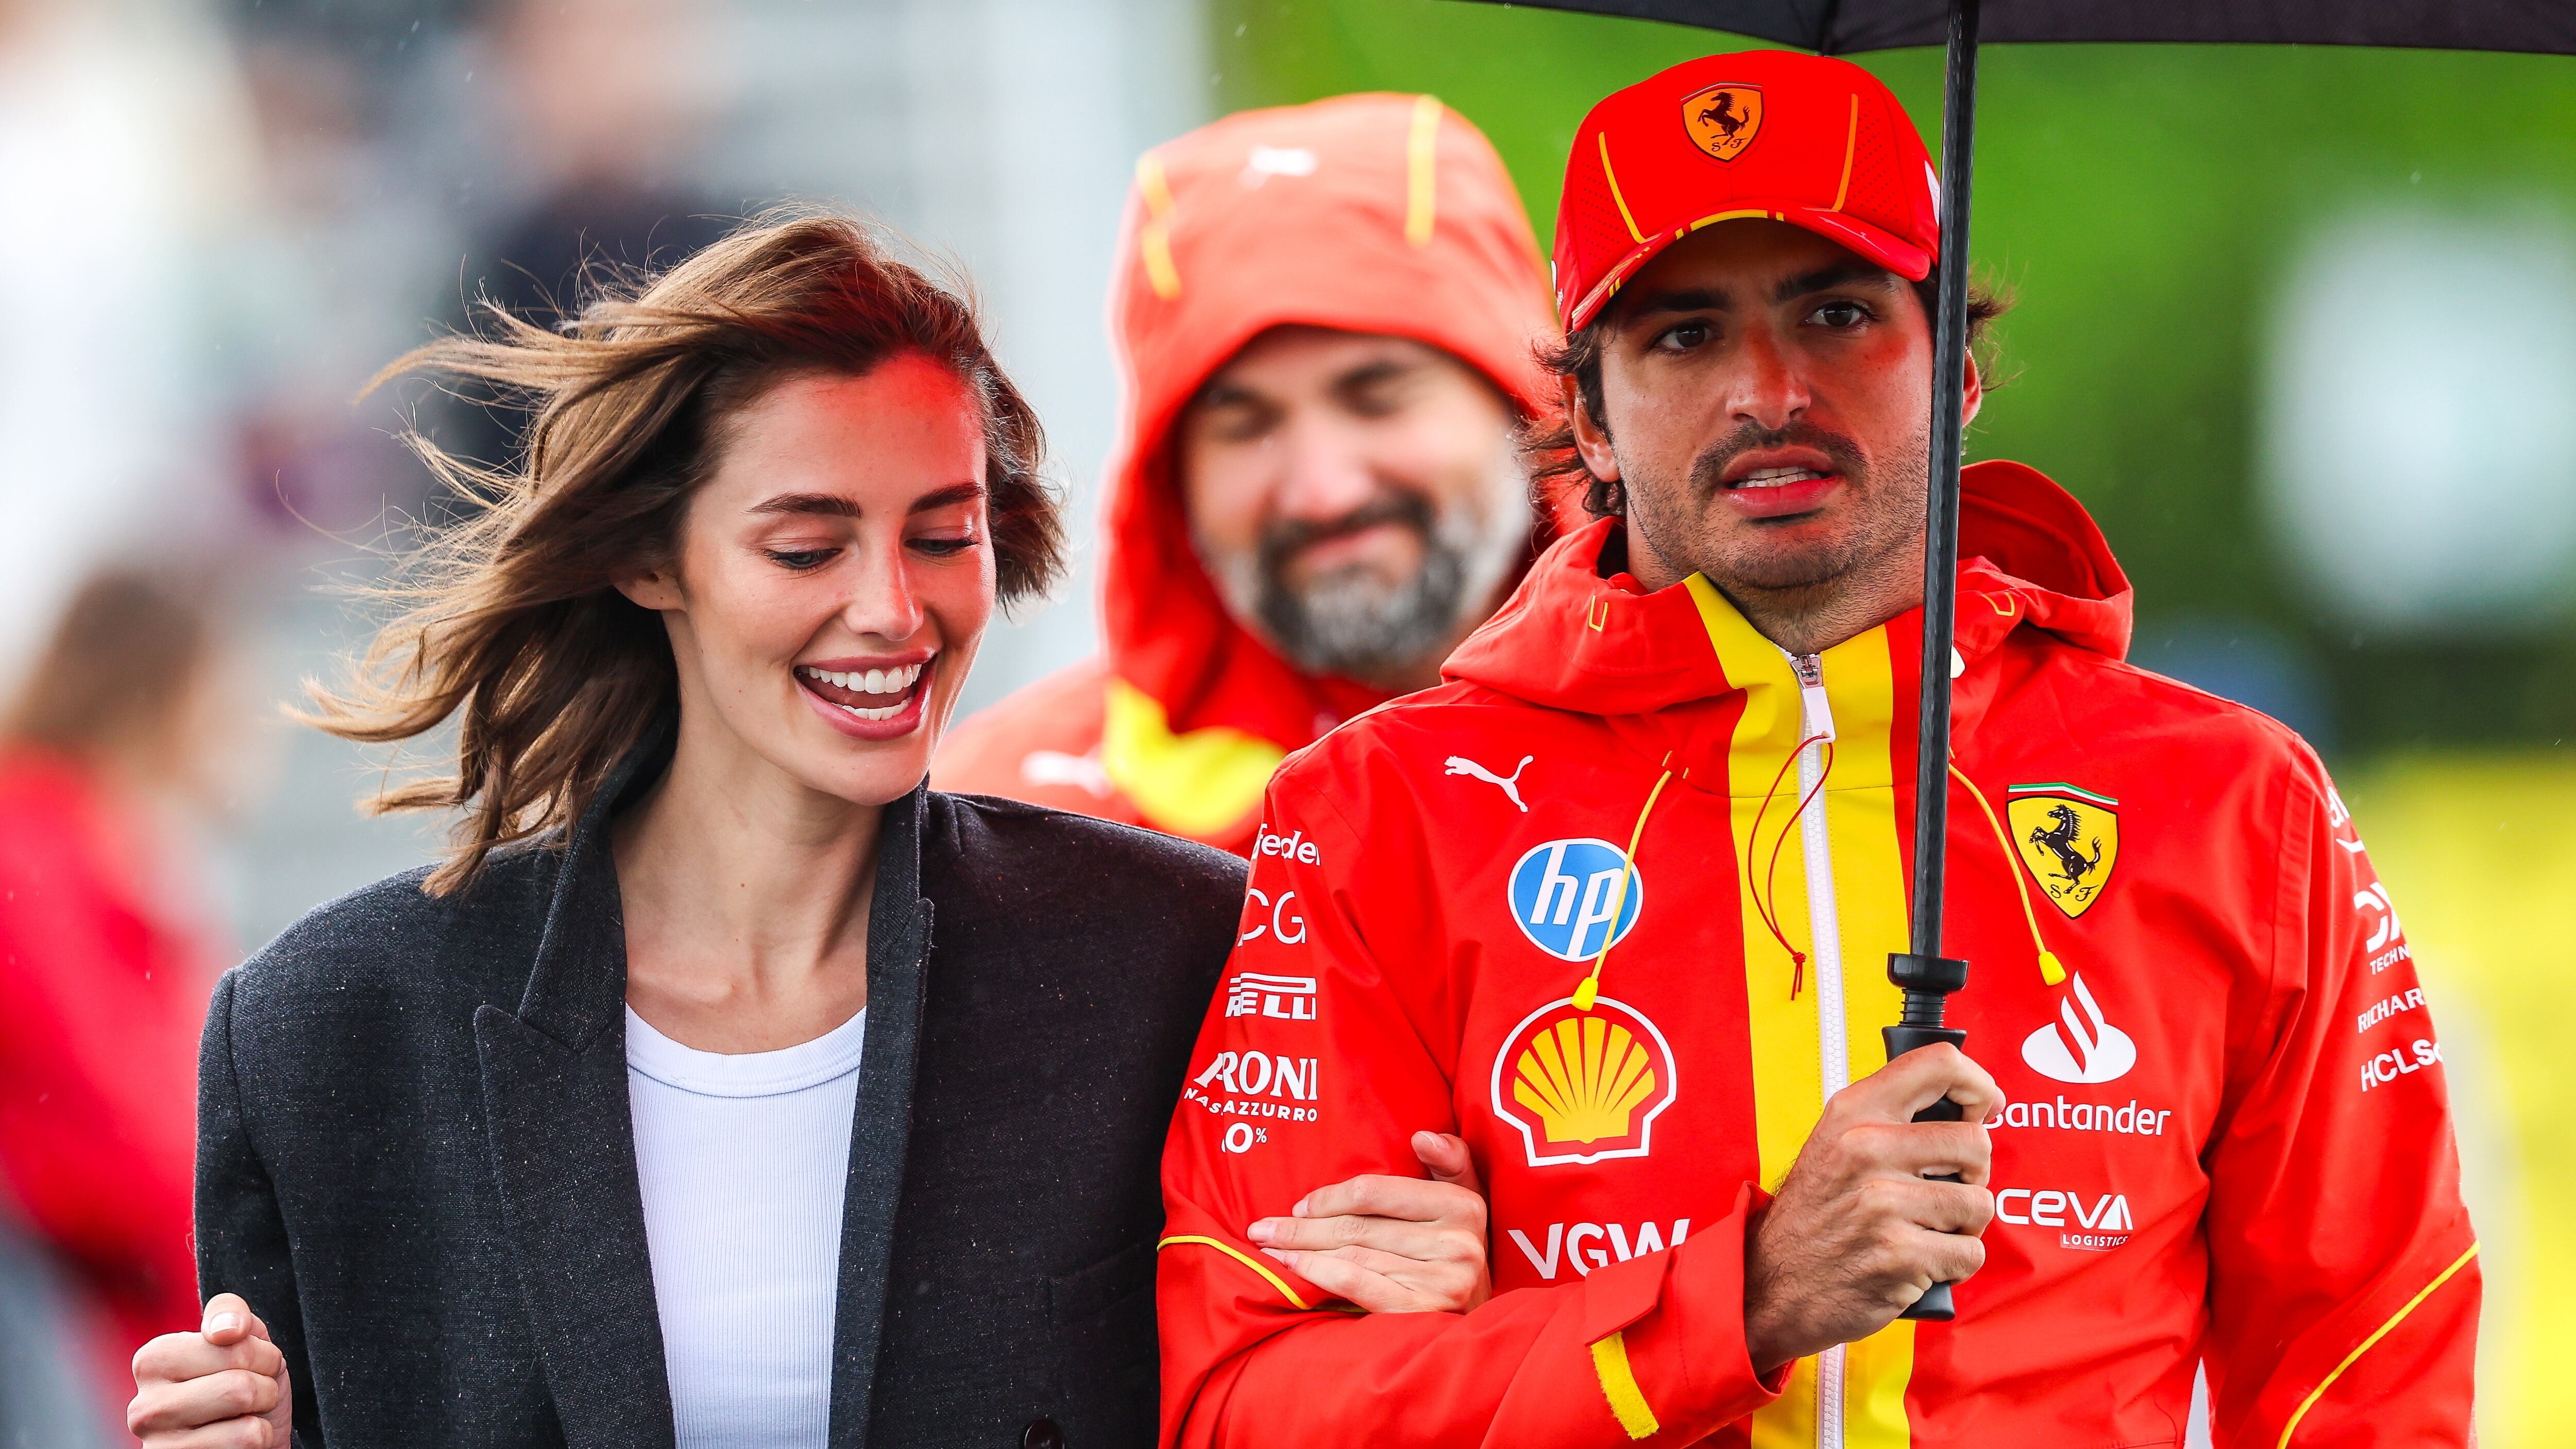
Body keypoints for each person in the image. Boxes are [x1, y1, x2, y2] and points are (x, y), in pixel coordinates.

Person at [1158, 51, 2477, 1447]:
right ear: (1589, 423)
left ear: (1954, 370)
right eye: (1683, 336)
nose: (1769, 390)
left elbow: (2372, 1369)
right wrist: (1746, 1297)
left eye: (1837, 311)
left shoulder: (2236, 800)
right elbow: (1242, 1407)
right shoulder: (1376, 811)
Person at [126, 210, 1492, 1448]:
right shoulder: (330, 1026)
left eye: (942, 534)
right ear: (648, 558)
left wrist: (1422, 1303)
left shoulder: (1182, 954)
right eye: (807, 545)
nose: (895, 610)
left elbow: (1288, 1386)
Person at [933, 93, 1566, 853]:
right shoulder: (1012, 832)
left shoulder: (1730, 751)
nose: (1324, 491)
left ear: (1530, 409)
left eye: (1377, 398)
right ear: (1169, 481)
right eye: (1246, 425)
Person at [0, 569, 242, 1424]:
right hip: (78, 1338)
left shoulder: (114, 848)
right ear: (165, 685)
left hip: (127, 1333)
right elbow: (109, 1116)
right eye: (227, 686)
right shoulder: (35, 845)